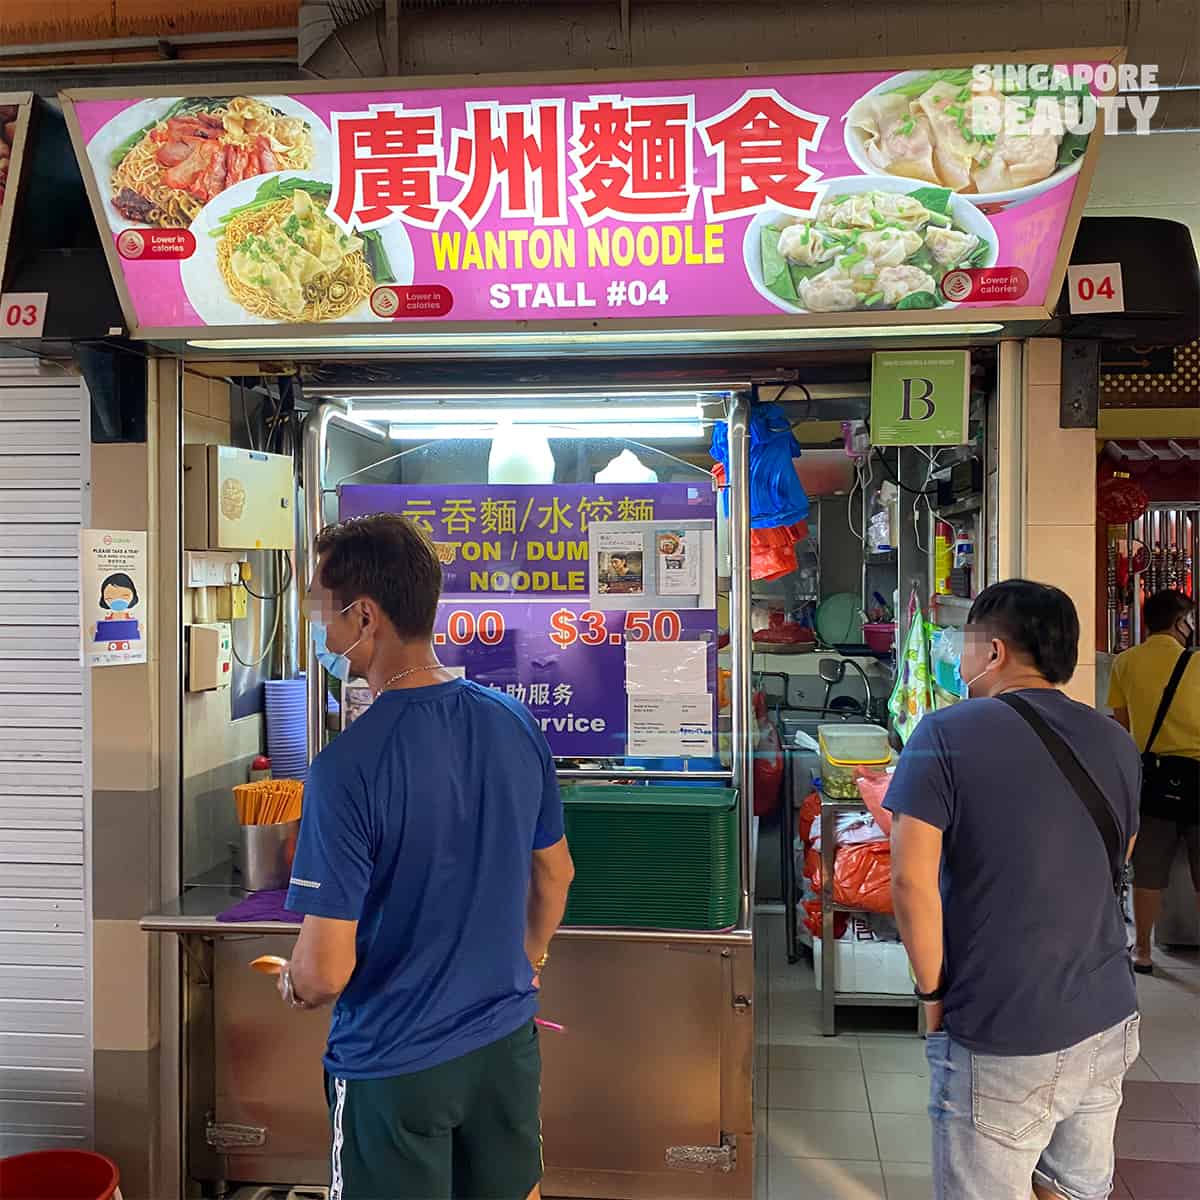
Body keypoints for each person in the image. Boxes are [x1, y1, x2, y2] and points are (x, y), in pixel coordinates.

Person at [279, 514, 575, 1200]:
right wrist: (524, 965)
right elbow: (554, 874)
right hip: (504, 1045)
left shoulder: (345, 767)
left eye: (326, 614)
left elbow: (324, 971)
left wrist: (295, 982)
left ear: (365, 616)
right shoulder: (512, 721)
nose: (324, 634)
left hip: (393, 1063)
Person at [884, 580, 1141, 1200]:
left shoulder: (944, 733)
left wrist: (932, 995)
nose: (958, 655)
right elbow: (1114, 861)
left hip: (1002, 1025)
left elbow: (911, 881)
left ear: (993, 652)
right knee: (1071, 1190)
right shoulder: (1117, 741)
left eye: (964, 642)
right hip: (1108, 1014)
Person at [1108, 588, 1199, 973]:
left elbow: (1123, 723)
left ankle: (1142, 950)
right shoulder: (1197, 663)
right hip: (1198, 775)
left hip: (1154, 777)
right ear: (1181, 623)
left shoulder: (1125, 663)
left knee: (1148, 870)